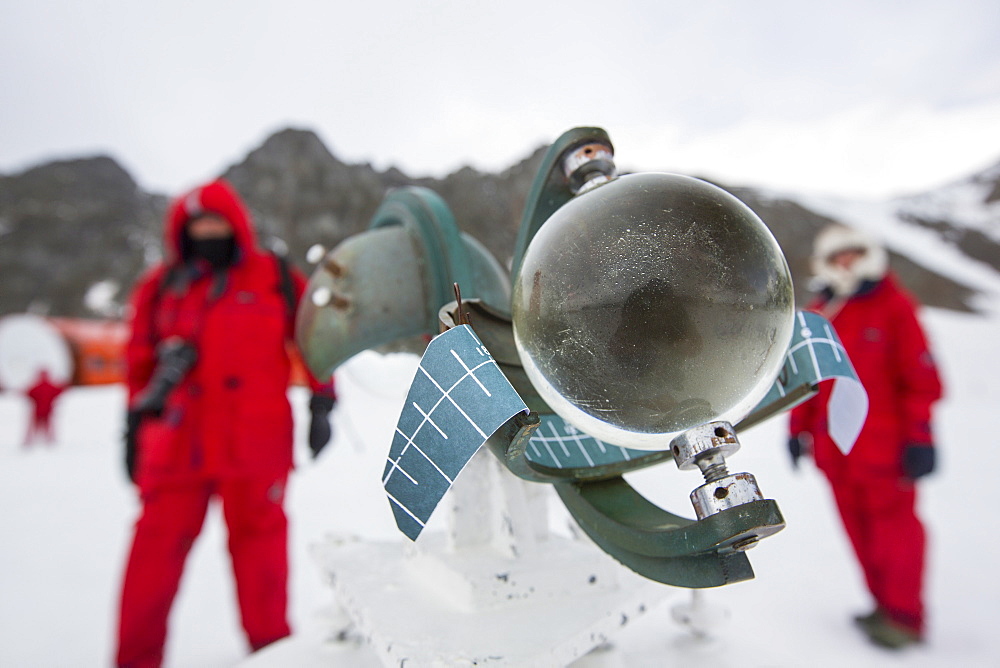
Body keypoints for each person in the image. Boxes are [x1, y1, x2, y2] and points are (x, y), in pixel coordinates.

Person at [116, 179, 337, 668]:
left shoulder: (273, 276)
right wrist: (133, 427)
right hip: (176, 447)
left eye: (215, 222)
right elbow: (137, 364)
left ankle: (273, 656)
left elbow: (316, 339)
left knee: (263, 567)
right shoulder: (159, 286)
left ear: (235, 225)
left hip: (254, 446)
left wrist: (323, 401)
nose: (207, 232)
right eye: (197, 225)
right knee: (151, 564)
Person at [788, 224, 943, 649]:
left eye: (853, 254)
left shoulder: (893, 307)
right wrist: (796, 430)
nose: (846, 263)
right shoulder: (821, 312)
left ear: (867, 255)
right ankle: (882, 605)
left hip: (885, 453)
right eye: (838, 256)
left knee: (895, 538)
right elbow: (808, 381)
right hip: (836, 455)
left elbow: (922, 381)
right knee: (858, 535)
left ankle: (905, 617)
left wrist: (920, 439)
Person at [23, 369, 66, 445]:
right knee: (48, 426)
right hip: (47, 411)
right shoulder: (51, 386)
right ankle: (50, 439)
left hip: (37, 411)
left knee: (33, 427)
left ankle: (29, 440)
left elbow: (28, 393)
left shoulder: (36, 386)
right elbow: (60, 391)